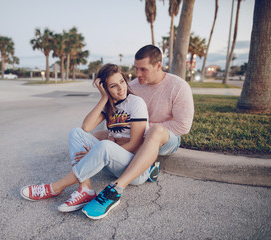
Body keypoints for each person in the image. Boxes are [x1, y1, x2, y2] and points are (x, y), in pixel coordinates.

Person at [20, 64, 151, 215]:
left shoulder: (136, 103)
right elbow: (86, 127)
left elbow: (135, 144)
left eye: (122, 82)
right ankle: (85, 189)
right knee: (76, 133)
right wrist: (103, 98)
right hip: (114, 162)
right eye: (113, 86)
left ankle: (55, 187)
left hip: (136, 168)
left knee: (105, 146)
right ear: (105, 88)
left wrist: (95, 152)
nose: (121, 88)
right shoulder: (109, 106)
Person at [81, 45, 194, 219]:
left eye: (143, 69)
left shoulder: (178, 86)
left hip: (165, 138)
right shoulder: (131, 86)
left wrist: (139, 127)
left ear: (158, 66)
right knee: (97, 136)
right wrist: (109, 139)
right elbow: (114, 118)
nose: (138, 74)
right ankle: (146, 166)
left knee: (153, 132)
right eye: (136, 68)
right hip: (135, 135)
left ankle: (116, 188)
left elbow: (183, 126)